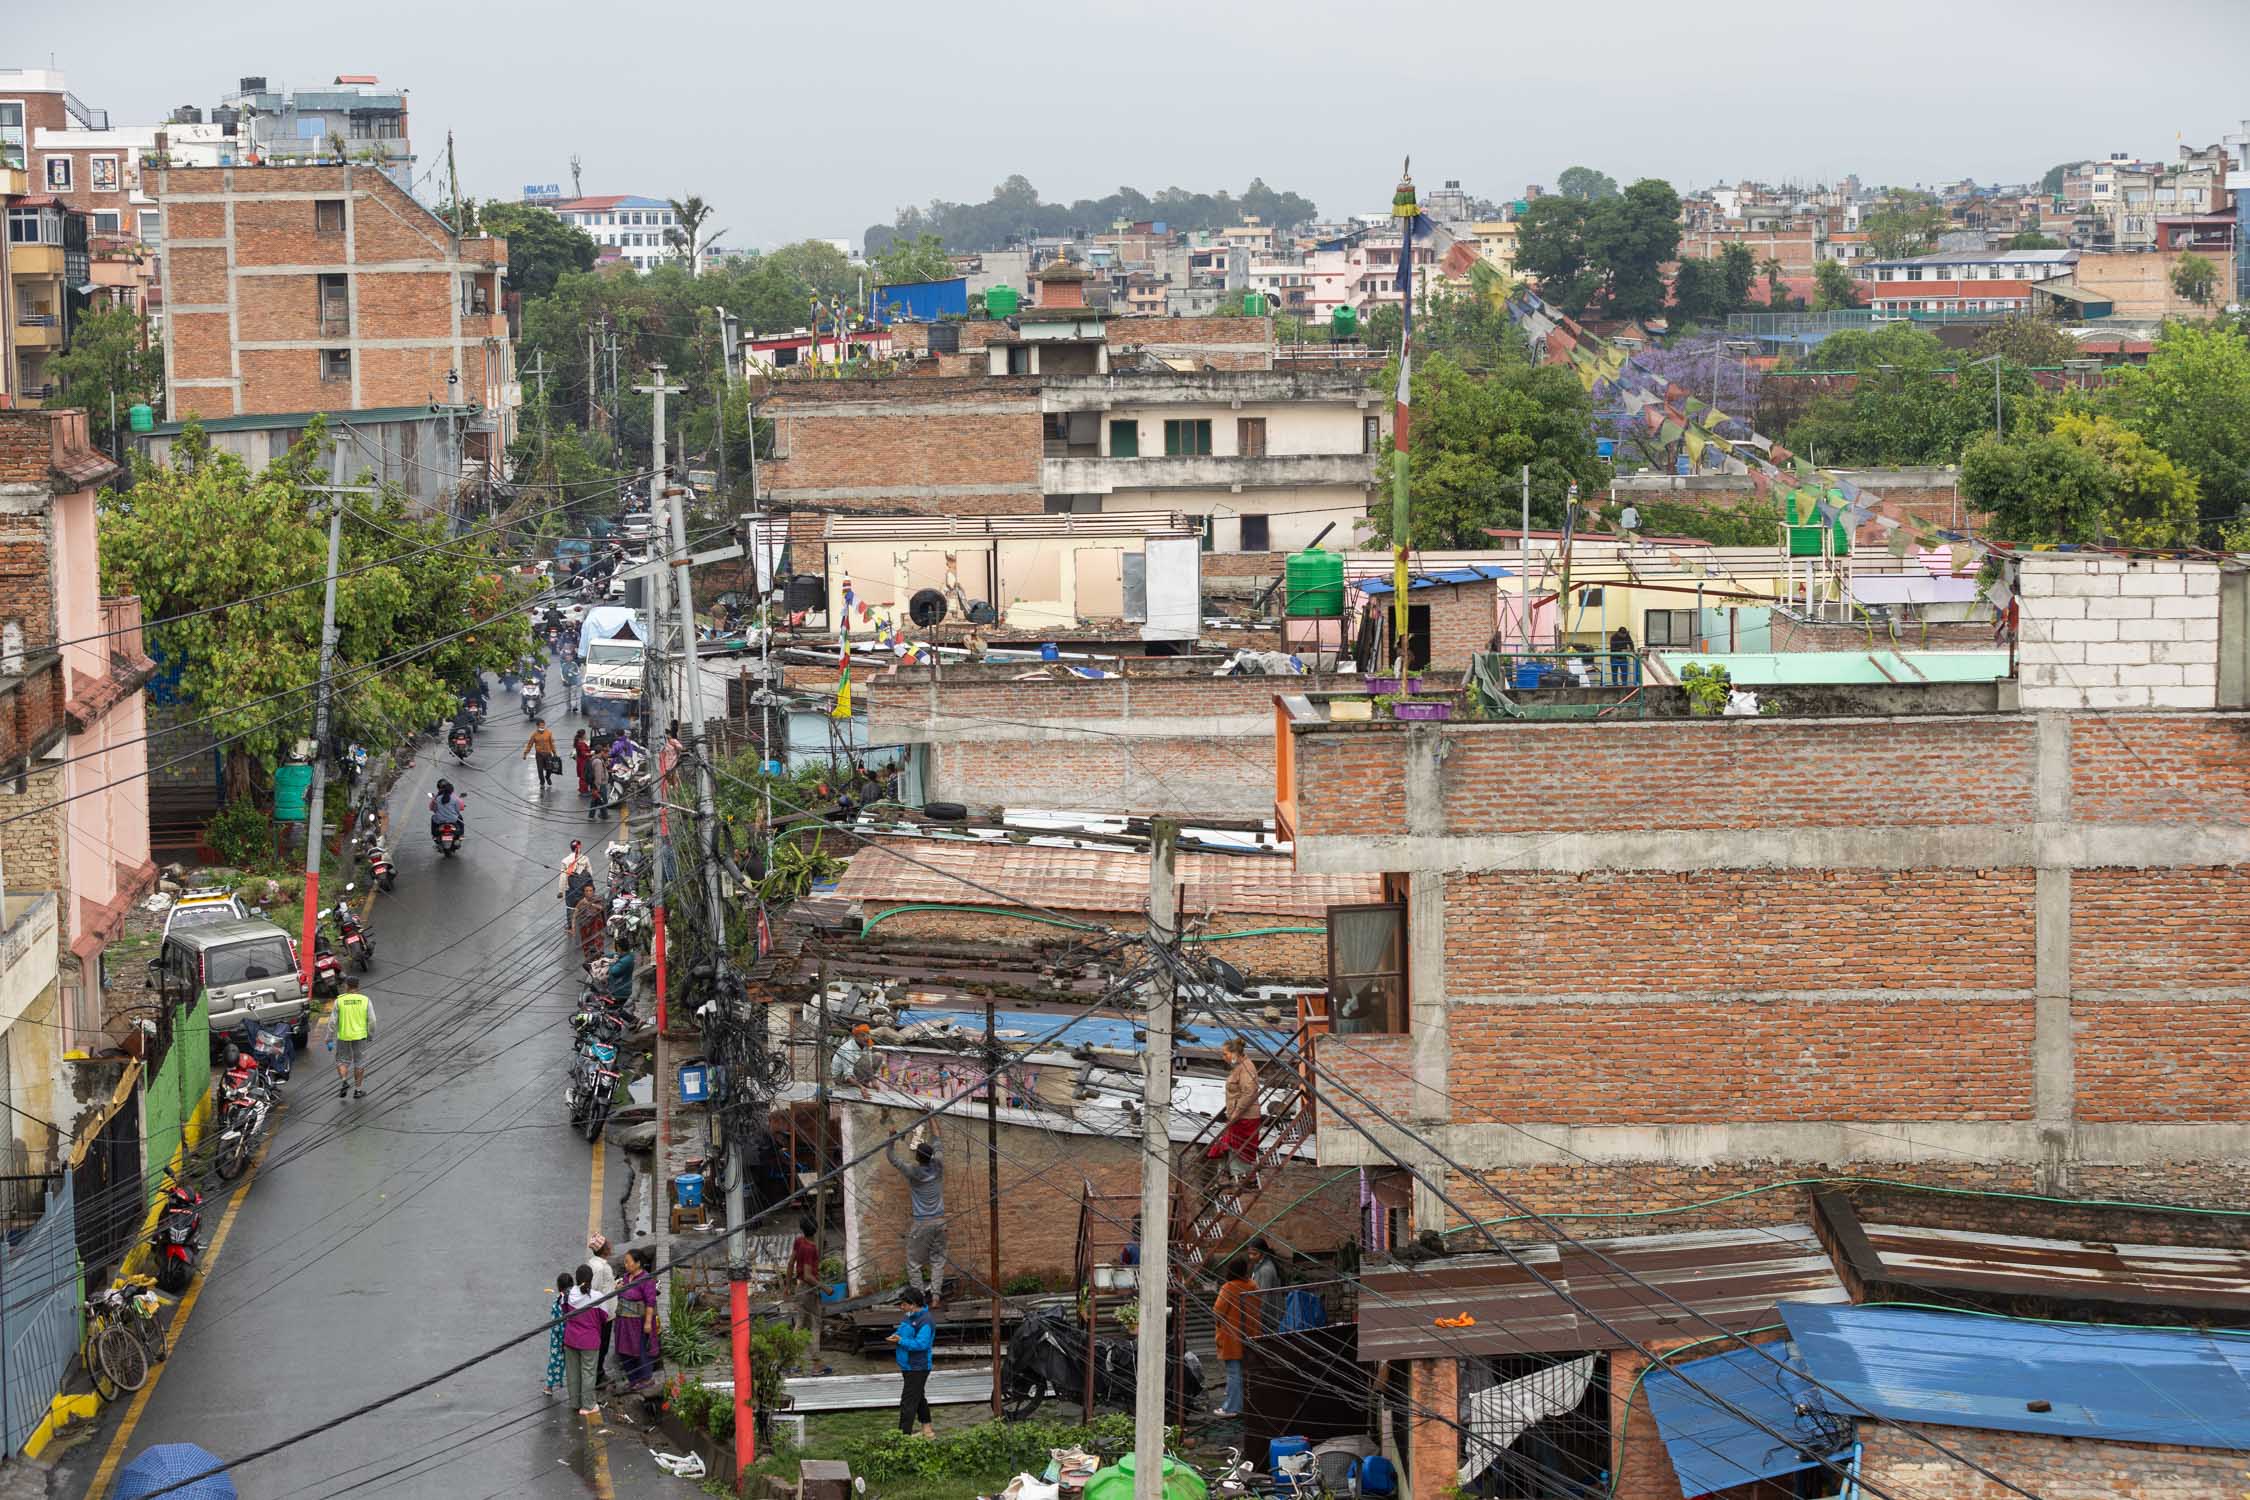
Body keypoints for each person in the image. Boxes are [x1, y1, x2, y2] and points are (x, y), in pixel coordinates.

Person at [885, 1133, 947, 1305]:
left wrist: (891, 1138)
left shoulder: (913, 1171)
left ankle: (920, 1300)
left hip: (921, 1223)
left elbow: (892, 1158)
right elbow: (938, 1141)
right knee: (938, 1260)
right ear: (931, 1156)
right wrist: (931, 1115)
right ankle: (935, 1297)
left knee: (914, 1264)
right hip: (940, 1222)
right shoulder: (939, 1166)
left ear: (918, 1158)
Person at [1206, 1038, 1260, 1182]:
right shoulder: (1239, 1067)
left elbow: (1248, 1092)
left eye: (1225, 1054)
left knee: (1239, 1148)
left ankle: (1244, 1178)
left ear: (1235, 1053)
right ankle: (1230, 1176)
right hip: (1237, 1115)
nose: (1224, 1057)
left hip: (1245, 1117)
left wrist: (1236, 1113)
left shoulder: (1247, 1068)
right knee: (1229, 1145)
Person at [562, 1263, 610, 1417]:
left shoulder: (567, 1295)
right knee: (588, 1372)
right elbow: (604, 1317)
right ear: (591, 1279)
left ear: (576, 1279)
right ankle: (588, 1405)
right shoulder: (598, 1297)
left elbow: (564, 1312)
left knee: (573, 1372)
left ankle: (575, 1403)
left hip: (570, 1339)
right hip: (590, 1341)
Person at [887, 1288, 936, 1438]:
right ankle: (927, 1429)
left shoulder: (926, 1321)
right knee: (919, 1397)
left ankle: (903, 1436)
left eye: (903, 1304)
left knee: (908, 1402)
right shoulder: (910, 1316)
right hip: (908, 1365)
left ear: (913, 1304)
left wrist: (901, 1341)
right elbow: (905, 1333)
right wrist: (897, 1336)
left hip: (918, 1367)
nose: (901, 1307)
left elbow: (922, 1344)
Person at [1212, 1260, 1257, 1419]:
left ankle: (1232, 1407)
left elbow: (1218, 1311)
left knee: (1234, 1373)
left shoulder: (1228, 1287)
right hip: (1251, 1335)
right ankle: (1246, 1404)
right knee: (1248, 1372)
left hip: (1231, 1337)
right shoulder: (1252, 1286)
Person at [614, 1245, 661, 1390]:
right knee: (624, 1351)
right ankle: (633, 1379)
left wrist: (648, 1323)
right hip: (624, 1322)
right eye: (625, 1262)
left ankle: (646, 1379)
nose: (626, 1265)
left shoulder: (646, 1280)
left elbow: (650, 1303)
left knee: (641, 1350)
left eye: (628, 1262)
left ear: (638, 1263)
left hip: (639, 1323)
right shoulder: (626, 1278)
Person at [585, 1235, 619, 1387]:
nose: (611, 1246)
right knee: (602, 1345)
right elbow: (595, 1289)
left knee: (601, 1344)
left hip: (604, 1312)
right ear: (604, 1250)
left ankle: (597, 1372)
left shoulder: (595, 1263)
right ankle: (598, 1375)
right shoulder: (600, 1268)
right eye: (608, 1244)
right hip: (603, 1314)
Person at [331, 985, 374, 1099]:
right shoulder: (365, 1000)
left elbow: (332, 1021)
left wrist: (328, 1037)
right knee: (359, 1062)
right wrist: (370, 1034)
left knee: (342, 1061)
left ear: (347, 987)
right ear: (358, 986)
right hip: (360, 1036)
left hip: (343, 1036)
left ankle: (344, 1081)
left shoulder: (339, 1001)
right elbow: (372, 1020)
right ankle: (358, 1090)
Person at [789, 1217, 823, 1354]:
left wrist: (787, 1287)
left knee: (800, 1322)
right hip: (809, 1289)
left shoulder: (799, 1242)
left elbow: (791, 1263)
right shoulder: (810, 1248)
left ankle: (790, 1359)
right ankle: (816, 1363)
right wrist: (825, 1287)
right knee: (816, 1324)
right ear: (816, 1229)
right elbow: (808, 1276)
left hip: (800, 1287)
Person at [1247, 1237, 1283, 1336]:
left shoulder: (1265, 1270)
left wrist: (1258, 1318)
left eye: (1254, 1254)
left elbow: (1264, 1298)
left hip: (1268, 1318)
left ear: (1263, 1253)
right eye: (1249, 1254)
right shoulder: (1259, 1266)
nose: (1251, 1257)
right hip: (1266, 1317)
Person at [545, 1271, 572, 1395]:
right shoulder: (575, 1299)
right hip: (572, 1335)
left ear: (558, 1286)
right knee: (574, 1363)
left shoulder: (558, 1301)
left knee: (555, 1361)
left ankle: (549, 1387)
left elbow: (554, 1322)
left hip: (558, 1337)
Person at [575, 884, 608, 964]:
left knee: (598, 943)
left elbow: (602, 908)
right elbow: (575, 914)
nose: (589, 892)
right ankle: (589, 961)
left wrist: (590, 904)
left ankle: (599, 960)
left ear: (593, 891)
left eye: (590, 891)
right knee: (586, 945)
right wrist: (573, 928)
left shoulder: (598, 899)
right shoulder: (581, 902)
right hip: (585, 927)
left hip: (597, 926)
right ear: (584, 892)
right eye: (587, 891)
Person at [523, 718, 559, 791]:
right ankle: (542, 782)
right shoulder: (534, 735)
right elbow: (530, 745)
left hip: (548, 754)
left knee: (549, 769)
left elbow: (552, 743)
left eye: (543, 726)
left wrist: (554, 752)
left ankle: (548, 777)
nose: (542, 727)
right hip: (539, 755)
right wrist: (525, 753)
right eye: (541, 726)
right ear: (537, 726)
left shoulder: (549, 733)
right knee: (540, 770)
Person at [572, 731, 595, 798]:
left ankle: (583, 789)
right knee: (584, 776)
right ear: (583, 735)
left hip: (581, 761)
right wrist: (591, 753)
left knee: (583, 776)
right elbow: (584, 754)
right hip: (583, 761)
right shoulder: (581, 744)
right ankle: (583, 791)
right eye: (585, 734)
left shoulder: (579, 742)